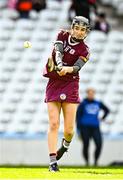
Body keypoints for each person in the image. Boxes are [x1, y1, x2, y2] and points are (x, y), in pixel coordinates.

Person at [43, 16, 90, 172]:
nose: (79, 32)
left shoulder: (85, 50)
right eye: (77, 28)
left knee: (69, 130)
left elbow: (77, 67)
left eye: (83, 30)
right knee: (54, 123)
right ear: (72, 27)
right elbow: (58, 52)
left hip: (70, 84)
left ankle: (65, 146)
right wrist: (60, 65)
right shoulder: (61, 35)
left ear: (86, 32)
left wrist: (67, 69)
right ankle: (52, 162)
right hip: (54, 82)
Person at [76, 88, 110, 166]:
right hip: (84, 127)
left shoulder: (98, 103)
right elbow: (78, 116)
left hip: (95, 127)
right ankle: (87, 162)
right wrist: (78, 129)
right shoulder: (83, 103)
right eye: (89, 93)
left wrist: (102, 118)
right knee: (86, 145)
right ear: (87, 94)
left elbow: (107, 110)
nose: (91, 95)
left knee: (99, 144)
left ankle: (95, 161)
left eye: (92, 93)